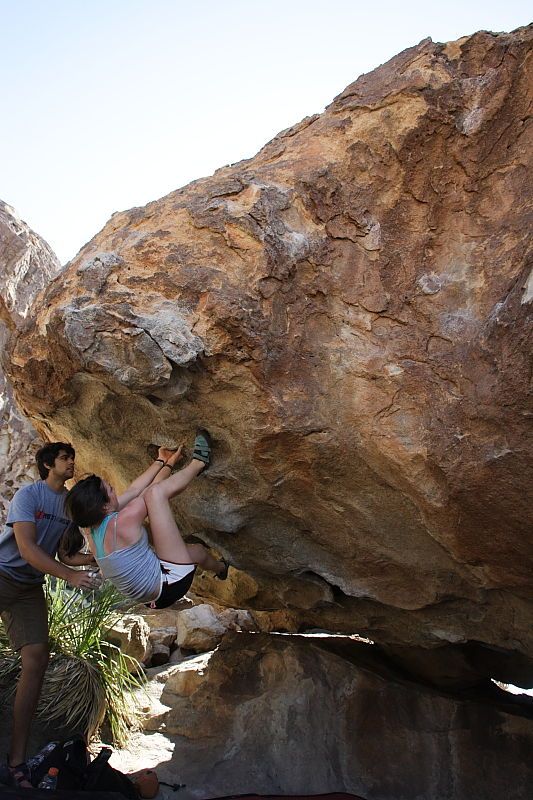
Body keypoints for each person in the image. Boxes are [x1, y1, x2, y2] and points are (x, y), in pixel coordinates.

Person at [0, 442, 96, 789]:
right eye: (64, 458)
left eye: (73, 457)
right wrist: (69, 576)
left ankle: (16, 761)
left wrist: (93, 561)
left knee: (37, 659)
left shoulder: (70, 505)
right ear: (47, 463)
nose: (72, 462)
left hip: (28, 587)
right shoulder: (30, 495)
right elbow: (26, 548)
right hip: (2, 574)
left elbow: (65, 554)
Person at [64, 430, 228, 610]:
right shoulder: (122, 522)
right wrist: (166, 465)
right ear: (103, 506)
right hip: (170, 585)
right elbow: (153, 492)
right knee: (155, 494)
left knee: (197, 552)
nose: (114, 490)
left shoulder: (92, 529)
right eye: (110, 489)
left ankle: (221, 569)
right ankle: (199, 462)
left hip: (153, 600)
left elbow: (134, 490)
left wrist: (163, 461)